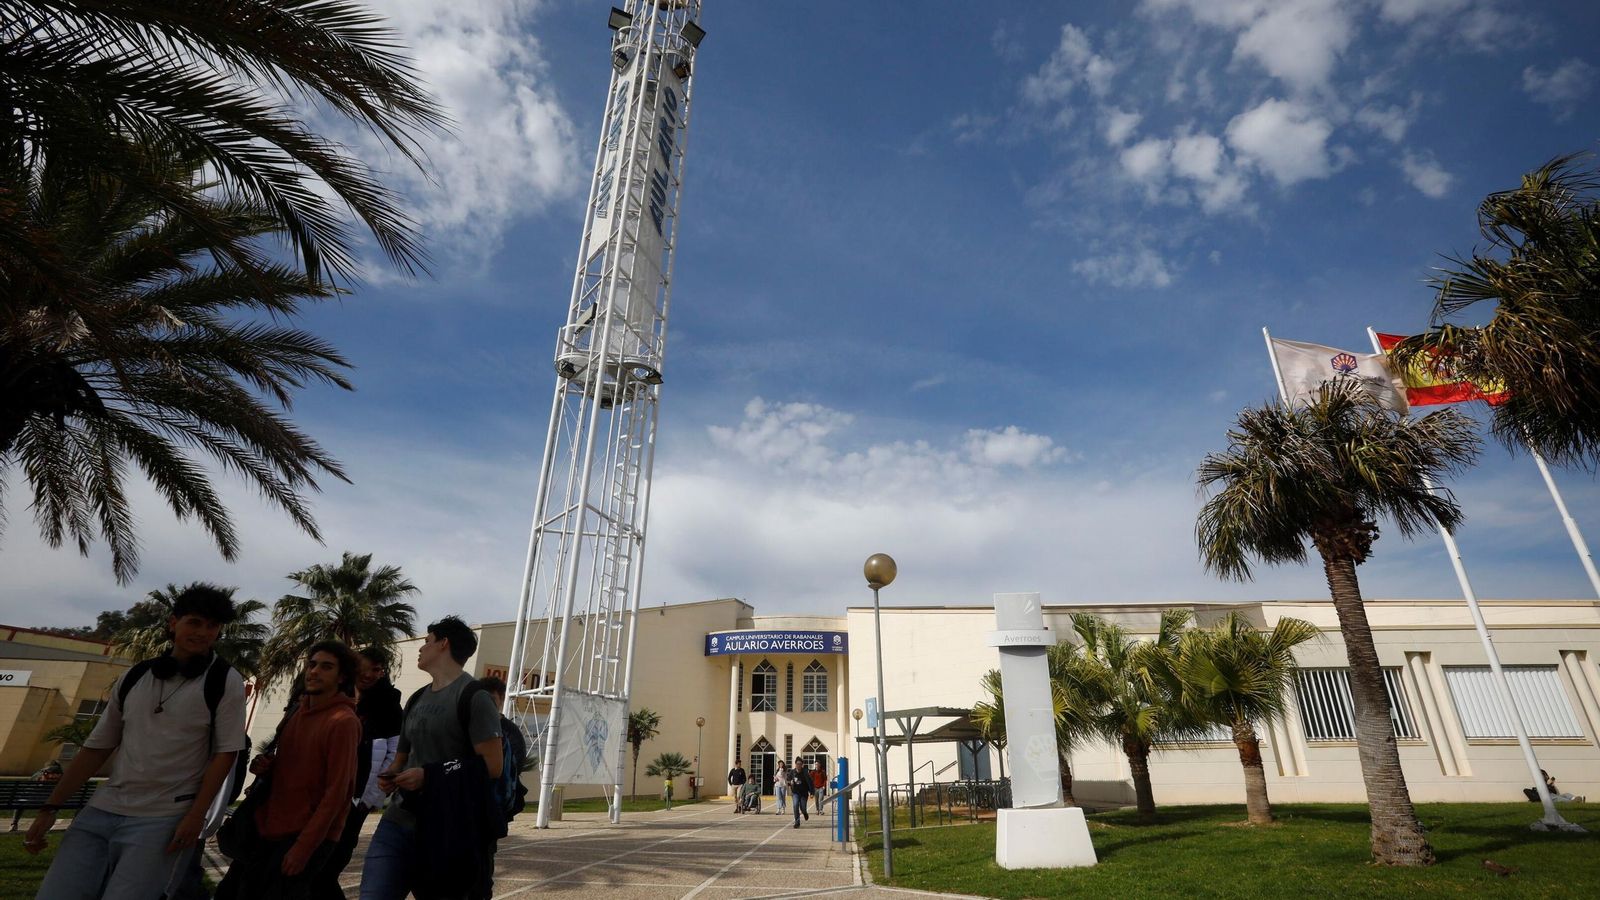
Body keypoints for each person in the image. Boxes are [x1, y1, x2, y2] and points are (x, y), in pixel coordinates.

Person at [27, 585, 247, 900]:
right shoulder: (135, 677)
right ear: (174, 622)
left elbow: (225, 754)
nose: (202, 632)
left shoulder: (224, 681)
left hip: (164, 819)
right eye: (195, 622)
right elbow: (97, 747)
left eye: (212, 626)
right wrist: (51, 806)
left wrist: (196, 816)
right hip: (102, 809)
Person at [360, 616, 502, 900]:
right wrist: (391, 775)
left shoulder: (474, 697)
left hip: (446, 826)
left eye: (427, 641)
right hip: (398, 820)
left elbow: (492, 766)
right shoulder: (416, 698)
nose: (421, 648)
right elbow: (402, 758)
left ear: (443, 644)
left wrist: (430, 775)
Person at [216, 642, 361, 899]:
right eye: (312, 664)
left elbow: (338, 792)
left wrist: (304, 848)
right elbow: (293, 767)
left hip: (301, 837)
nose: (314, 671)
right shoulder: (296, 712)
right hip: (267, 829)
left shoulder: (343, 722)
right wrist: (266, 767)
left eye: (326, 667)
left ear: (342, 677)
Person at [311, 646, 403, 900]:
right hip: (320, 792)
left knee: (331, 864)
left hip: (355, 799)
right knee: (311, 865)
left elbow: (395, 754)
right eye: (364, 667)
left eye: (377, 669)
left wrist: (369, 798)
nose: (369, 674)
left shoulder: (389, 704)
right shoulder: (333, 695)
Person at [473, 675, 528, 898]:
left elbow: (513, 767)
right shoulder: (469, 724)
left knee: (481, 866)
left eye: (492, 699)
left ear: (501, 699)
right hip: (465, 805)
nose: (487, 704)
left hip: (491, 808)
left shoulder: (509, 731)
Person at [787, 760, 812, 829]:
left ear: (802, 765)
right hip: (795, 792)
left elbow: (810, 782)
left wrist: (811, 792)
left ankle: (805, 813)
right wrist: (790, 782)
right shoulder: (792, 772)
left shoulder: (805, 772)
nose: (798, 765)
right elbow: (788, 779)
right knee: (795, 805)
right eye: (797, 764)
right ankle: (797, 822)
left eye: (800, 764)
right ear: (795, 764)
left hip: (804, 793)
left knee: (803, 808)